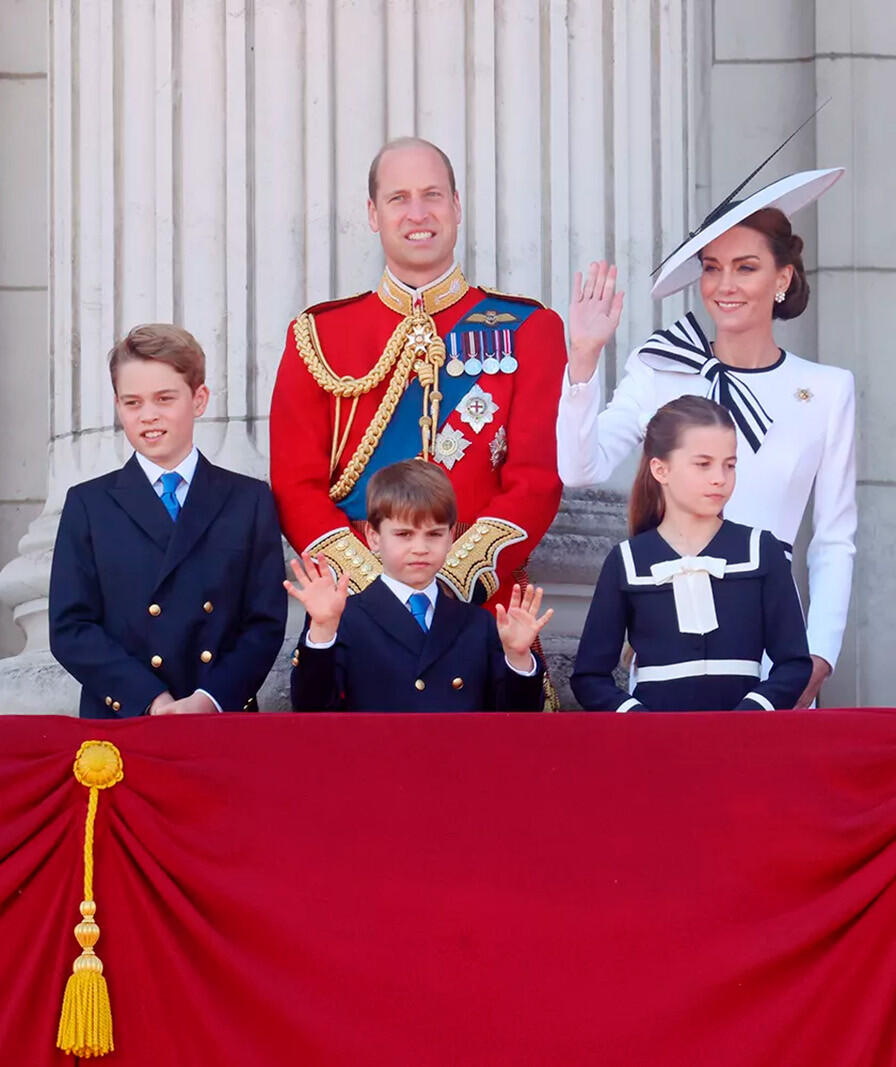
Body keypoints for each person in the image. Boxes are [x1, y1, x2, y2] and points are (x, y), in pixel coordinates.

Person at [557, 167, 855, 708]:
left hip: (774, 649)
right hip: (669, 643)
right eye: (712, 268)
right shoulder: (660, 367)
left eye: (746, 268)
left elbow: (834, 537)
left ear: (783, 278)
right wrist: (583, 361)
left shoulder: (828, 390)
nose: (725, 286)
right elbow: (580, 469)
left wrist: (818, 656)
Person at [269, 136, 565, 616]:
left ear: (456, 206)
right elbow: (294, 484)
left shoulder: (529, 330)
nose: (417, 213)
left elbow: (536, 480)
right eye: (398, 198)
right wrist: (374, 591)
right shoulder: (318, 336)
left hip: (480, 614)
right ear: (373, 214)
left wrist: (448, 585)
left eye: (432, 195)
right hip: (355, 614)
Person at [50, 324, 287, 718]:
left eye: (164, 398)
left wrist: (209, 700)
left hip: (220, 719)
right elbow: (71, 627)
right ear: (118, 406)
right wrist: (149, 699)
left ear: (199, 399)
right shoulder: (87, 504)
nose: (148, 416)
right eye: (132, 402)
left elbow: (264, 622)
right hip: (126, 721)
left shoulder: (249, 500)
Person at [570, 397, 811, 712]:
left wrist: (752, 713)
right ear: (661, 469)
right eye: (703, 464)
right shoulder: (627, 561)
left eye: (730, 464)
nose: (719, 478)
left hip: (744, 747)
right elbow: (589, 677)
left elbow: (794, 663)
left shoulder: (761, 550)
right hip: (657, 750)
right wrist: (639, 721)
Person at [287, 459, 552, 712]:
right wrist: (321, 632)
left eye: (434, 534)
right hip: (375, 757)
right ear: (374, 537)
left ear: (450, 538)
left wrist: (518, 658)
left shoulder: (478, 623)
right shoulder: (344, 618)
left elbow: (514, 721)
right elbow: (312, 708)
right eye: (404, 535)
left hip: (461, 758)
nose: (420, 549)